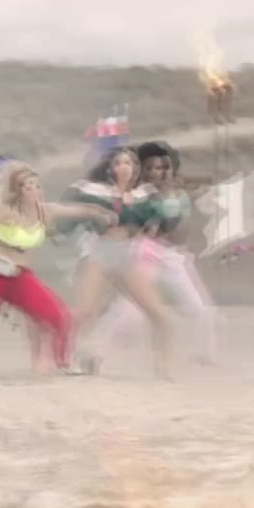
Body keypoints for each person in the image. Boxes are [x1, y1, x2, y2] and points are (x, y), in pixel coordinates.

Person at [0, 160, 115, 378]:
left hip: (19, 277)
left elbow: (76, 210)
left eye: (37, 185)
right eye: (28, 187)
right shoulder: (7, 212)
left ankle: (64, 361)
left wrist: (99, 213)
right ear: (18, 191)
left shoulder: (45, 211)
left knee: (59, 317)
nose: (35, 190)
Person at [91, 141, 222, 368]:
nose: (156, 172)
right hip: (144, 253)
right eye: (150, 168)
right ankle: (97, 353)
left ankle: (204, 356)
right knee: (129, 312)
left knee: (199, 309)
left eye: (162, 167)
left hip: (171, 255)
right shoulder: (138, 195)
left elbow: (180, 226)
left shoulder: (176, 192)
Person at [65, 145, 179, 377]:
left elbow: (161, 219)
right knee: (84, 311)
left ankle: (163, 365)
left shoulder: (143, 194)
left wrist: (156, 219)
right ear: (110, 168)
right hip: (100, 252)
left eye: (128, 163)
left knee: (159, 313)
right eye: (118, 163)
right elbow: (72, 205)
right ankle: (69, 357)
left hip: (127, 254)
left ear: (135, 168)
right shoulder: (96, 191)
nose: (124, 167)